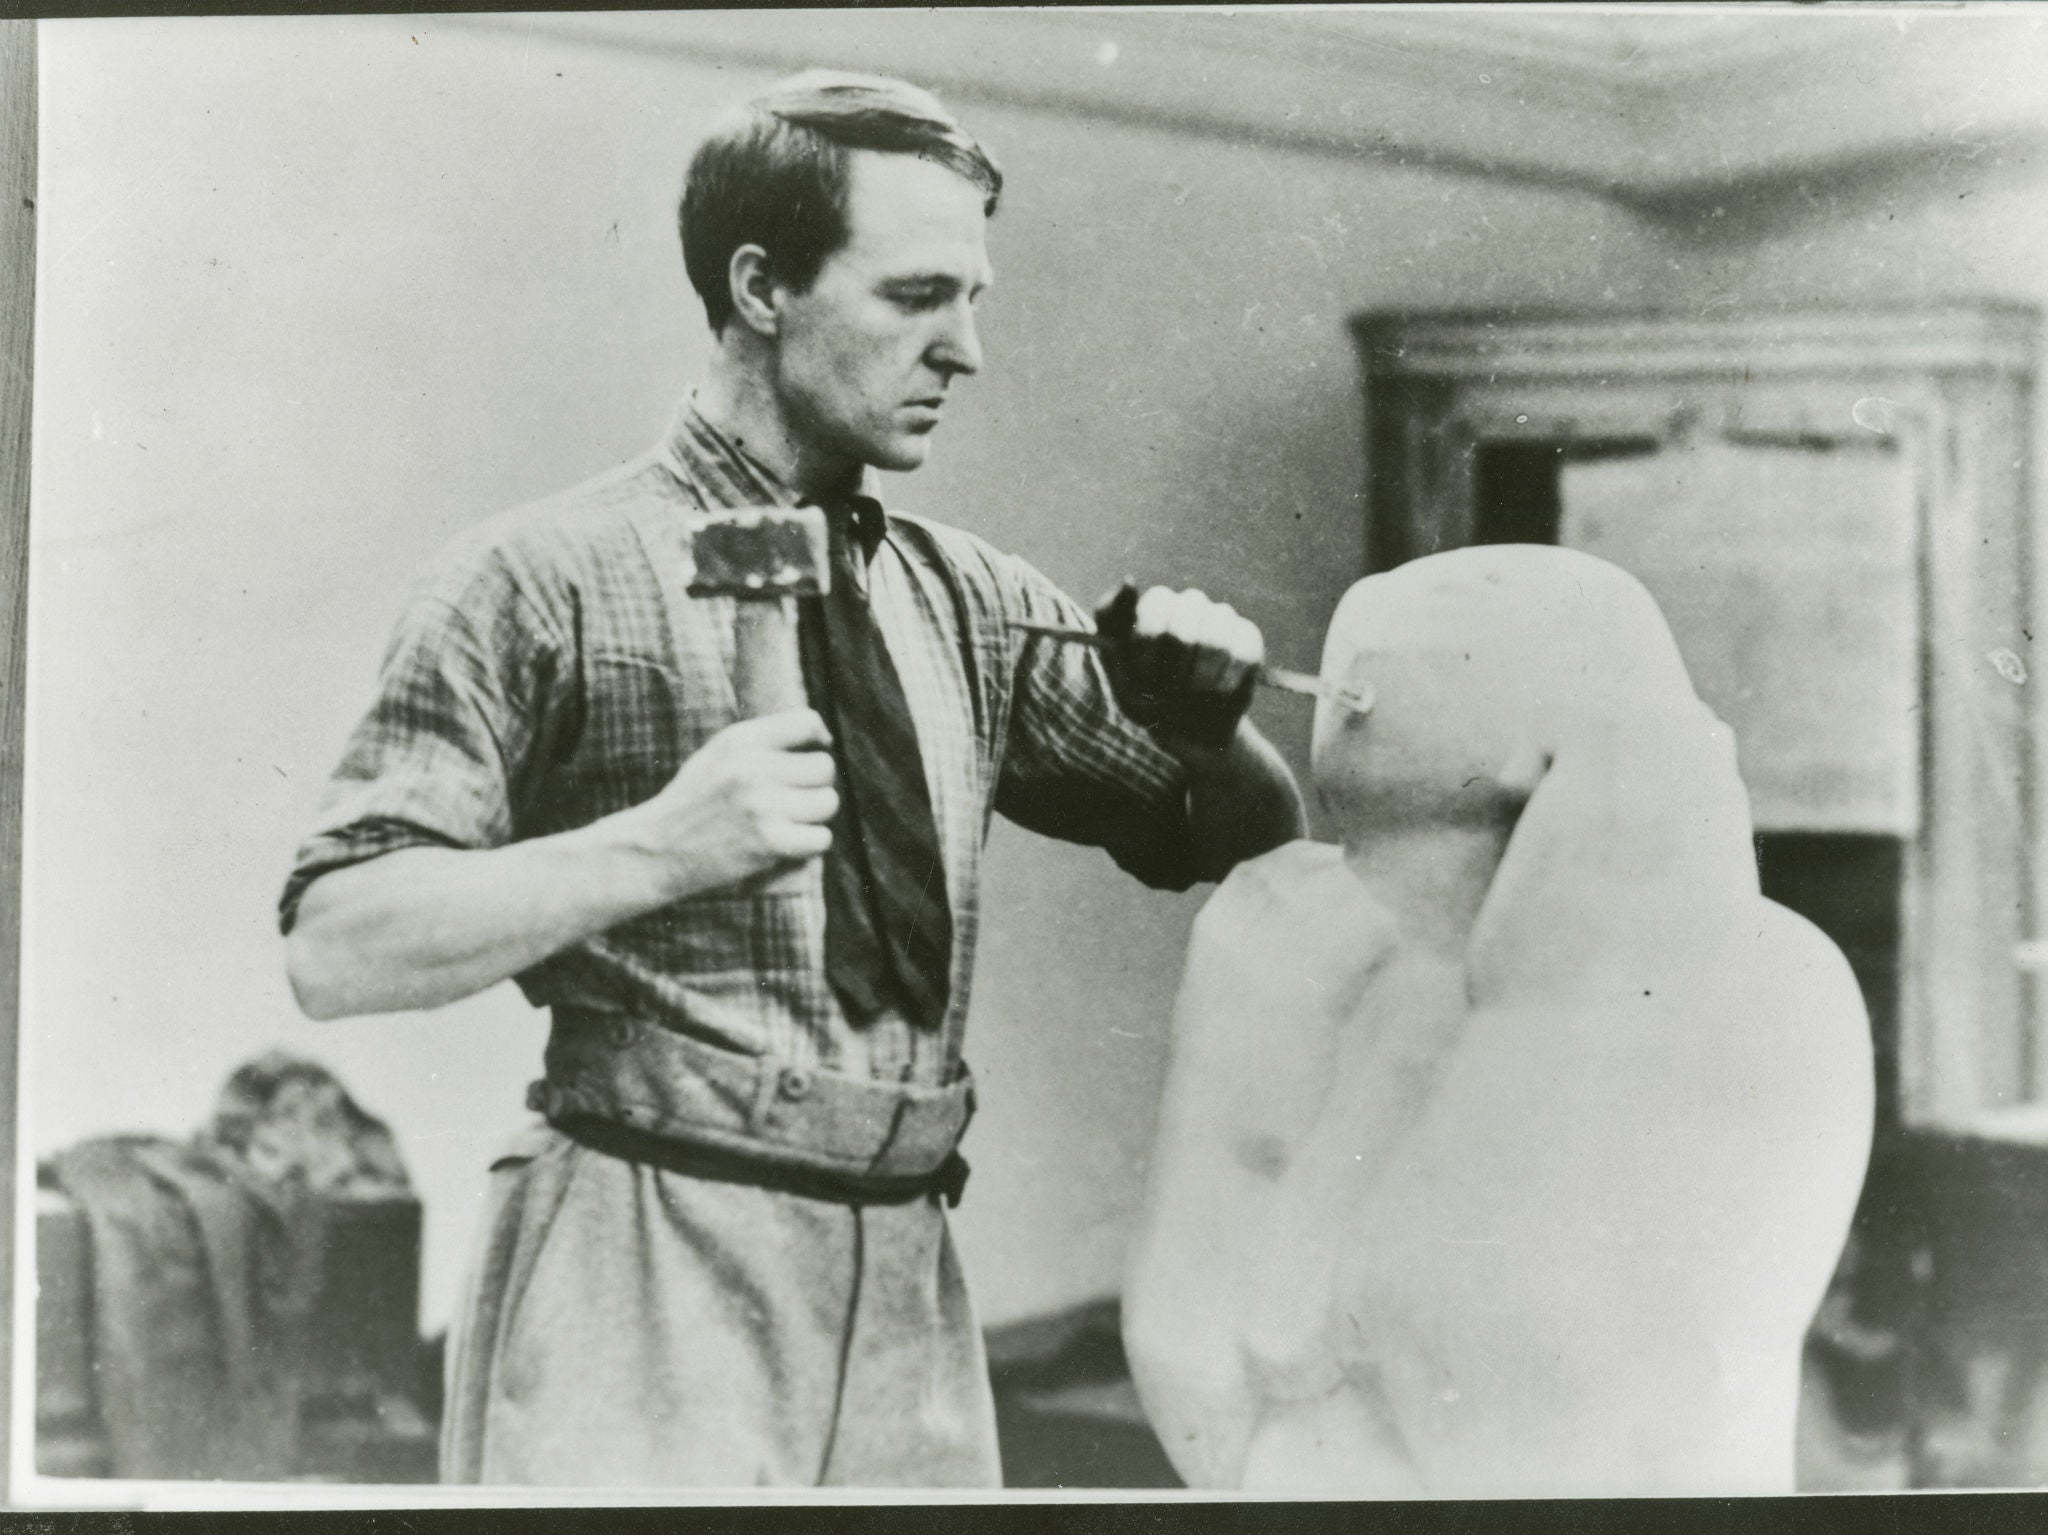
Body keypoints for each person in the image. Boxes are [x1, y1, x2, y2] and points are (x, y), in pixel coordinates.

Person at [280, 69, 1305, 1488]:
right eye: (917, 296)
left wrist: (1207, 723)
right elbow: (338, 944)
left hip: (905, 1263)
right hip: (647, 1260)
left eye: (975, 299)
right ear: (761, 286)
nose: (968, 351)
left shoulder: (976, 603)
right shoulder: (540, 577)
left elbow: (1246, 841)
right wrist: (659, 849)